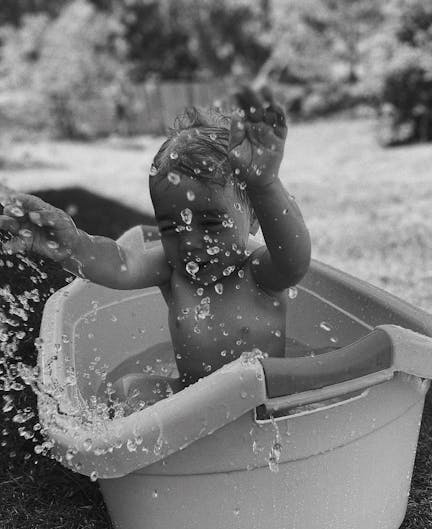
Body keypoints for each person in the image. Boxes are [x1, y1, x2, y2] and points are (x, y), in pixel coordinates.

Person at [0, 87, 311, 411]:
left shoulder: (259, 273)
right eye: (171, 227)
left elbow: (295, 260)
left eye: (210, 223)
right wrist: (73, 244)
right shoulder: (173, 271)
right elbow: (121, 264)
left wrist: (264, 185)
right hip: (190, 407)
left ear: (254, 218)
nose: (190, 242)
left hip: (262, 409)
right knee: (125, 390)